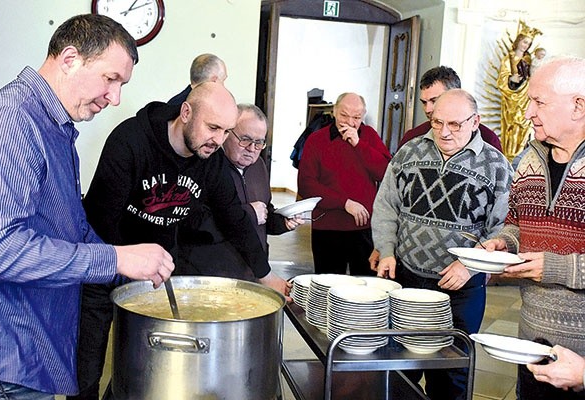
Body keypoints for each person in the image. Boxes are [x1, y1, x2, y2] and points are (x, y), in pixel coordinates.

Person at [0, 14, 175, 400]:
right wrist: (114, 261)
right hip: (9, 355)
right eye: (111, 79)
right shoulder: (12, 121)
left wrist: (128, 260)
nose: (115, 97)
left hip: (38, 345)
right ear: (70, 58)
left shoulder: (56, 128)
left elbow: (69, 228)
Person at [70, 83, 292, 399]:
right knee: (87, 366)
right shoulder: (130, 141)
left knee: (145, 363)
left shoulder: (210, 160)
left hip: (157, 271)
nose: (219, 140)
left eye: (227, 131)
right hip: (105, 259)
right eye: (213, 127)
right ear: (186, 113)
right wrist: (127, 260)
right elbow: (100, 219)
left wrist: (265, 274)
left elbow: (234, 219)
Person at [371, 89, 513, 400]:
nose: (444, 132)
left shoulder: (496, 165)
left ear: (475, 122)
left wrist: (471, 264)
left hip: (461, 290)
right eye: (437, 123)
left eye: (455, 124)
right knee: (399, 370)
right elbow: (386, 206)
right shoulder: (409, 152)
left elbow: (503, 228)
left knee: (451, 375)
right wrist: (387, 250)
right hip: (407, 280)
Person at [485, 56, 585, 400]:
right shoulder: (529, 157)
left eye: (539, 102)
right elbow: (517, 223)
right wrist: (505, 243)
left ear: (578, 106)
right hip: (530, 339)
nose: (527, 112)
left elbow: (553, 261)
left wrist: (556, 266)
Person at [179, 103, 304, 278]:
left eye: (259, 142)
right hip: (212, 274)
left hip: (253, 271)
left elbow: (264, 213)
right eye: (245, 139)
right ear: (227, 133)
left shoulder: (259, 166)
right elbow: (191, 224)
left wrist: (282, 222)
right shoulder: (205, 165)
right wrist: (249, 212)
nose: (252, 149)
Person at [297, 92, 392, 276]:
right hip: (327, 227)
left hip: (364, 228)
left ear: (363, 116)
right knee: (327, 286)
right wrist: (345, 203)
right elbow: (306, 185)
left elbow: (385, 174)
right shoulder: (317, 140)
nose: (349, 122)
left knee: (366, 284)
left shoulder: (370, 136)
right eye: (344, 115)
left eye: (356, 117)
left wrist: (358, 144)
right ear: (334, 112)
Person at [398, 65, 502, 151]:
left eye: (435, 101)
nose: (428, 109)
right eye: (424, 102)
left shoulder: (488, 139)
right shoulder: (412, 138)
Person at [497, 20, 542, 162]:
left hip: (526, 98)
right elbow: (501, 81)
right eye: (524, 42)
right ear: (518, 41)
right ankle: (510, 155)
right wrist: (512, 80)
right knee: (512, 127)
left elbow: (533, 75)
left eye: (528, 44)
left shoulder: (529, 59)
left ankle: (520, 154)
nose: (526, 46)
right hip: (512, 101)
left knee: (524, 126)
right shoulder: (508, 59)